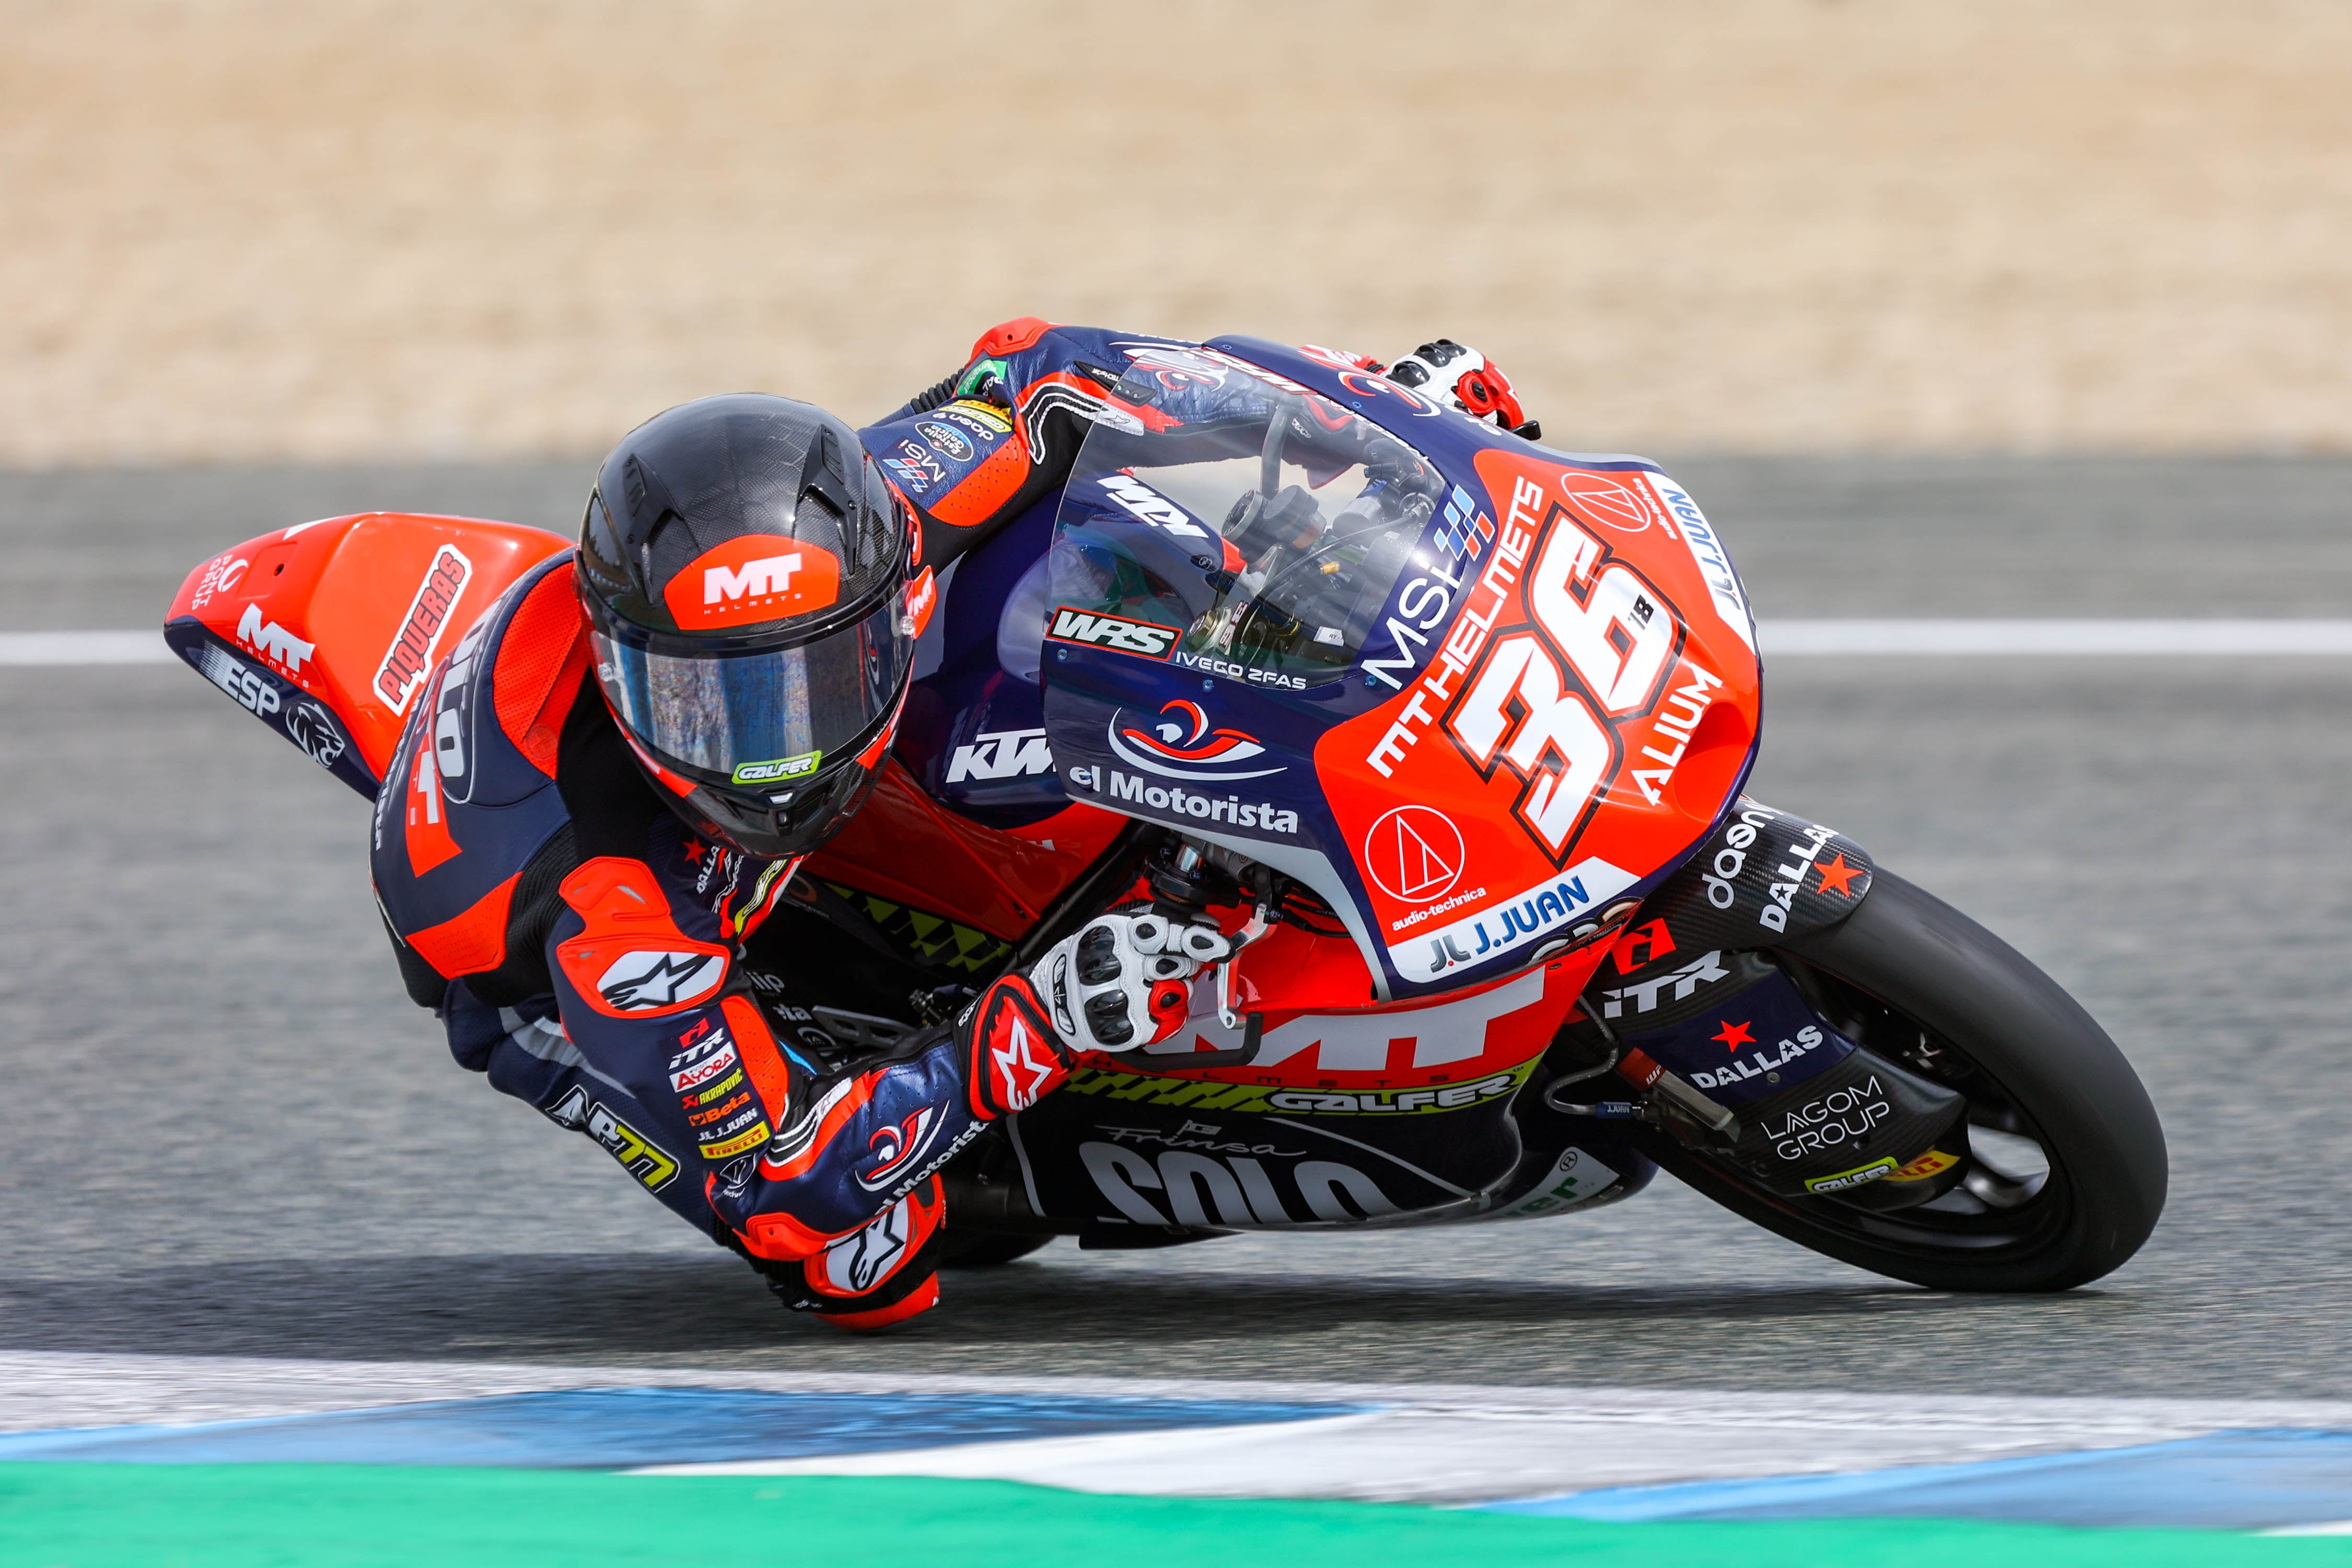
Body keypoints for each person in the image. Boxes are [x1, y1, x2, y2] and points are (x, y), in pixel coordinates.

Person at [370, 320, 1531, 1329]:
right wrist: (1040, 1018)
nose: (775, 752)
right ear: (627, 678)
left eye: (816, 678)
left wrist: (1374, 414)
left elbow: (1056, 369)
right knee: (863, 1267)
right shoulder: (617, 924)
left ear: (877, 586)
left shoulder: (894, 501)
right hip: (520, 960)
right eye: (709, 703)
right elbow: (788, 1184)